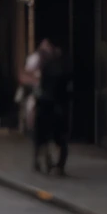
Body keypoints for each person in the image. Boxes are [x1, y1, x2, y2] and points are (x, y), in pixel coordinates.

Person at [32, 38, 71, 175]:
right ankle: (58, 166)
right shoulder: (63, 67)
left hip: (45, 105)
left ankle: (41, 162)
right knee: (60, 138)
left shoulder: (46, 66)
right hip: (58, 106)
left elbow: (41, 86)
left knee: (43, 136)